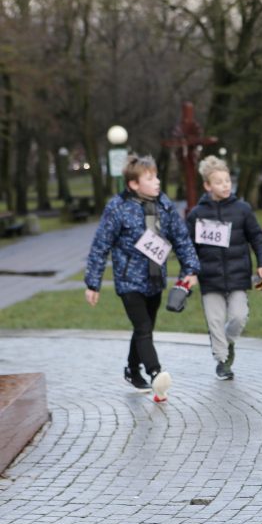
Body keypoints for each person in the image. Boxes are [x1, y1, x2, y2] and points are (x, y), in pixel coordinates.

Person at [84, 154, 200, 403]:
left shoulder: (164, 205)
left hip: (155, 280)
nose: (157, 182)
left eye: (157, 176)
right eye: (150, 178)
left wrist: (190, 270)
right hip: (129, 282)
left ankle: (131, 370)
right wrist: (92, 283)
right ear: (133, 184)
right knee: (144, 328)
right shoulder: (117, 207)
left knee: (143, 328)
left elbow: (181, 239)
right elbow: (100, 245)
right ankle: (156, 372)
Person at [186, 156, 262, 380]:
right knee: (214, 321)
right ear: (207, 186)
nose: (225, 185)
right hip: (209, 278)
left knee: (238, 317)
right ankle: (223, 361)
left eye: (227, 180)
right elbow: (187, 247)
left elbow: (258, 238)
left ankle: (227, 342)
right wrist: (190, 272)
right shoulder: (196, 215)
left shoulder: (242, 209)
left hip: (237, 276)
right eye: (219, 181)